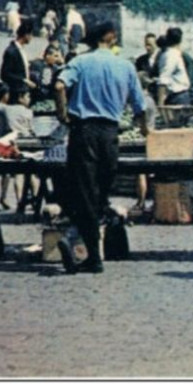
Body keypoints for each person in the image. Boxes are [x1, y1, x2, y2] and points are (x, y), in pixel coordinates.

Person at [54, 19, 148, 274]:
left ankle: (86, 248)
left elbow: (60, 85)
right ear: (110, 37)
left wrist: (63, 114)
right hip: (109, 134)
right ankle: (86, 248)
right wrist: (146, 133)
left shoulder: (81, 62)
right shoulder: (125, 66)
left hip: (83, 132)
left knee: (85, 192)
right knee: (101, 191)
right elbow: (140, 107)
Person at [0, 19, 35, 101]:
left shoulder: (21, 50)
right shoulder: (11, 51)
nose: (32, 38)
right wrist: (24, 80)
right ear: (26, 35)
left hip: (23, 91)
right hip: (15, 92)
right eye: (31, 35)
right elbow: (4, 74)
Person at [156, 27, 191, 107]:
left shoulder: (171, 54)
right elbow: (163, 80)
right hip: (177, 96)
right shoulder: (172, 55)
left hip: (178, 96)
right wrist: (160, 105)